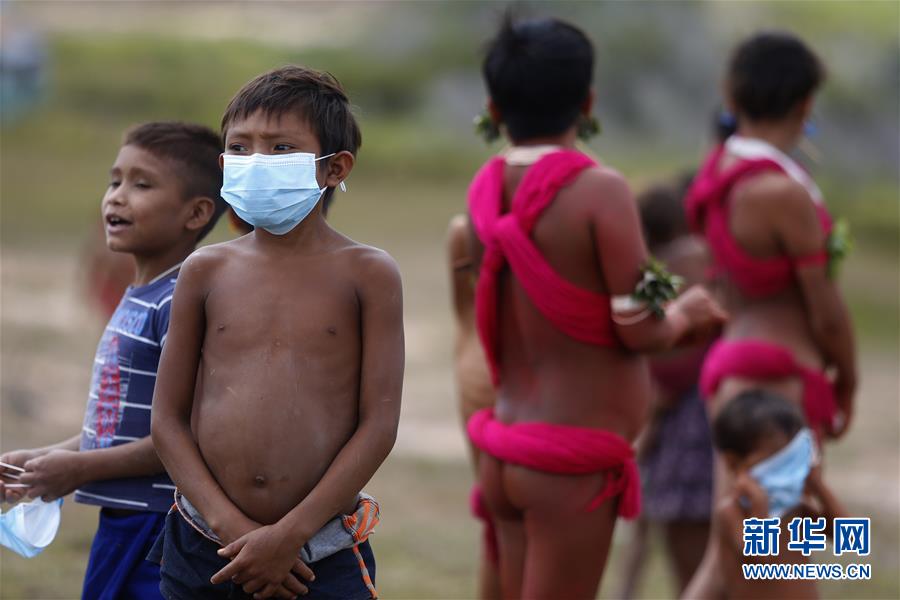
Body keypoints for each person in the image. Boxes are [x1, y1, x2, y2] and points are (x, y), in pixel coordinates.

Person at [465, 17, 727, 599]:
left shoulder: (485, 189)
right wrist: (687, 315)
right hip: (567, 462)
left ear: (494, 108)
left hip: (505, 449)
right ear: (588, 102)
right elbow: (639, 328)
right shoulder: (598, 191)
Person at [149, 66, 404, 600]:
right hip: (205, 544)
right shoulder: (204, 270)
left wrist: (290, 536)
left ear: (334, 168)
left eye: (281, 147)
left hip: (319, 555)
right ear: (223, 165)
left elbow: (378, 426)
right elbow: (167, 420)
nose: (257, 161)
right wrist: (233, 530)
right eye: (240, 148)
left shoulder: (368, 274)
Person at [0, 121, 227, 599]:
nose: (117, 197)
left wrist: (79, 469)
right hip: (122, 522)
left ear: (196, 213)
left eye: (142, 185)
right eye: (115, 180)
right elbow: (118, 426)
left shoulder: (179, 302)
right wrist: (46, 459)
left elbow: (183, 435)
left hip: (162, 530)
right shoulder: (141, 294)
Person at [683, 31, 857, 598]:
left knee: (734, 556)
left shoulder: (720, 171)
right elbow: (825, 310)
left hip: (733, 365)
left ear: (730, 95)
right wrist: (848, 379)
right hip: (777, 376)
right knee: (780, 563)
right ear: (805, 103)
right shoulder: (779, 191)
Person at [617, 180, 715, 598]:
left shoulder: (673, 266)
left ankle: (626, 589)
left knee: (684, 540)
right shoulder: (702, 256)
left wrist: (657, 405)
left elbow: (683, 351)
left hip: (687, 416)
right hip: (692, 407)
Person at [711, 389, 847, 599]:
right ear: (733, 462)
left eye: (793, 459)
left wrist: (817, 485)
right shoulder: (731, 512)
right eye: (778, 461)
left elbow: (848, 537)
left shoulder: (796, 511)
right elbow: (760, 557)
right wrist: (759, 506)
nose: (788, 469)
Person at [447, 214, 501, 600]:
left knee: (500, 527)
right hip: (489, 380)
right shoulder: (466, 232)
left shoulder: (465, 231)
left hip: (480, 372)